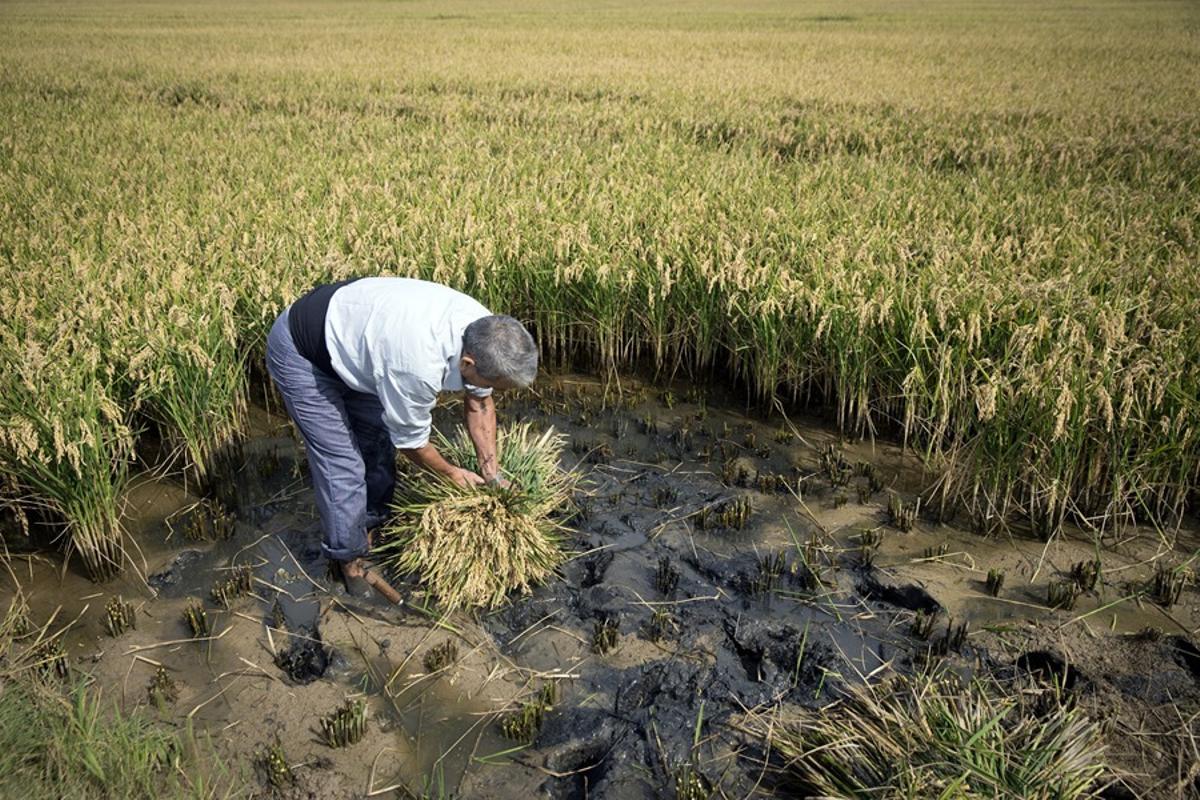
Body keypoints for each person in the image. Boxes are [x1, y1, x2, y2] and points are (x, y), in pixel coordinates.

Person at [265, 277, 537, 596]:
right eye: (496, 383)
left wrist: (492, 475)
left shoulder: (489, 332)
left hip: (363, 343)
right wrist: (451, 473)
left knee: (376, 442)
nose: (494, 391)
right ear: (467, 363)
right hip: (304, 351)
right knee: (343, 464)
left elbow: (479, 401)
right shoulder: (416, 365)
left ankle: (370, 525)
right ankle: (350, 562)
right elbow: (411, 443)